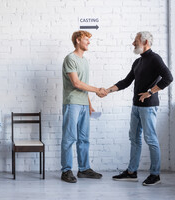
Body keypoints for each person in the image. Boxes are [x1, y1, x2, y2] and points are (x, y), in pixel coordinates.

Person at [107, 31, 173, 186]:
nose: (133, 43)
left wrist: (150, 92)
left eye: (136, 40)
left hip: (148, 107)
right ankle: (131, 172)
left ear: (146, 42)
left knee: (150, 139)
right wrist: (108, 90)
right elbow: (126, 81)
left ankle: (155, 175)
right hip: (136, 106)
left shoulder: (155, 58)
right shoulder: (138, 62)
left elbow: (168, 77)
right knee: (134, 139)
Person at [61, 30, 107, 183]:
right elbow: (76, 83)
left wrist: (90, 104)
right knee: (69, 138)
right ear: (78, 40)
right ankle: (66, 170)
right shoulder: (70, 58)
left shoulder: (85, 61)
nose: (89, 42)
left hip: (83, 104)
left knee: (84, 138)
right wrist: (97, 90)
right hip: (72, 102)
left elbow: (83, 86)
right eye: (87, 39)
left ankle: (84, 169)